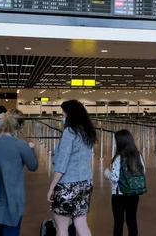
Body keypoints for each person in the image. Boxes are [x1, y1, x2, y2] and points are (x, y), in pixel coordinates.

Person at [47, 100, 96, 236]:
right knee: (81, 224)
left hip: (67, 185)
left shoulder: (70, 132)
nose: (63, 116)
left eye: (64, 114)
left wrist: (52, 187)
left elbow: (61, 164)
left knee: (62, 228)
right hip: (85, 182)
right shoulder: (87, 132)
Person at [104, 129, 146, 236]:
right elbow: (143, 171)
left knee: (118, 223)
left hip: (119, 195)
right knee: (132, 221)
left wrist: (107, 172)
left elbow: (115, 178)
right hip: (134, 194)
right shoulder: (138, 156)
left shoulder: (119, 157)